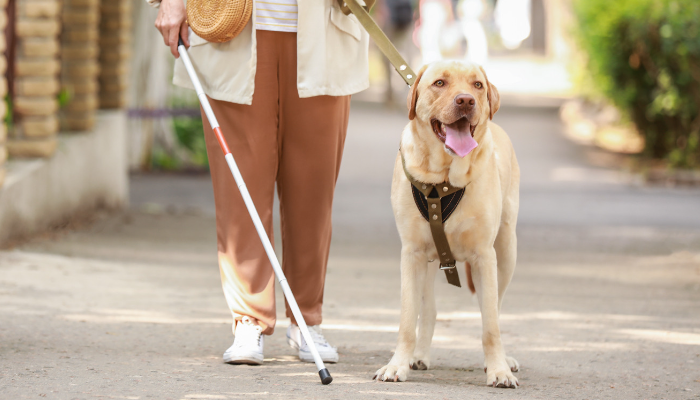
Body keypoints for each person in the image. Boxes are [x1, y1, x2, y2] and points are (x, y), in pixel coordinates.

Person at [148, 0, 369, 365]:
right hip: (232, 29)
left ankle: (305, 318)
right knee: (241, 189)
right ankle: (248, 318)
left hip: (323, 34)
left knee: (313, 192)